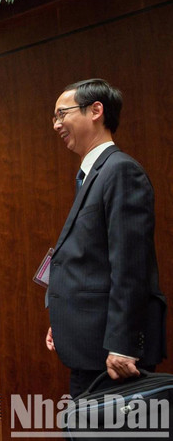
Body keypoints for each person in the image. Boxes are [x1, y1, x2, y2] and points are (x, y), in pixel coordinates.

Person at [45, 78, 166, 397]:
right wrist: (63, 322)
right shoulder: (92, 175)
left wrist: (123, 345)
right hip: (91, 348)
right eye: (54, 117)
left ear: (96, 110)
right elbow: (91, 264)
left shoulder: (121, 172)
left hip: (113, 358)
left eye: (62, 114)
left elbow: (131, 268)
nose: (57, 124)